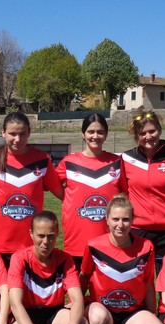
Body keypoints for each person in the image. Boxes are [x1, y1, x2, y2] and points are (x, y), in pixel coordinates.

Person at [80, 194, 165, 324]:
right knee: (97, 320)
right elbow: (83, 277)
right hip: (103, 310)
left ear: (133, 220)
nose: (120, 225)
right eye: (115, 219)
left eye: (126, 219)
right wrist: (75, 307)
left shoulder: (146, 247)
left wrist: (152, 313)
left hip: (133, 312)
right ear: (107, 219)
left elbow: (149, 283)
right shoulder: (93, 245)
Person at [0, 112, 62, 268]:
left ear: (29, 133)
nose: (18, 139)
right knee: (0, 293)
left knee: (29, 292)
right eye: (12, 134)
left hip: (32, 246)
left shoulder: (42, 160)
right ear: (3, 133)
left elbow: (61, 193)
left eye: (22, 134)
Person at [8, 211, 87, 324]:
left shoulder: (65, 259)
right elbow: (15, 303)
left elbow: (77, 299)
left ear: (57, 234)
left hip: (53, 314)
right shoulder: (19, 259)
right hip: (28, 313)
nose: (46, 242)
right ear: (31, 234)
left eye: (51, 236)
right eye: (40, 236)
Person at [120, 111, 165, 274]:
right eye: (142, 133)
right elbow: (123, 194)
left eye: (152, 131)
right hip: (137, 231)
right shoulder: (126, 159)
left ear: (159, 130)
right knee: (136, 283)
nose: (148, 137)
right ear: (136, 135)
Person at [56, 113, 122, 271]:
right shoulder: (69, 162)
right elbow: (49, 185)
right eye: (91, 132)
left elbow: (125, 196)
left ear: (106, 135)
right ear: (83, 134)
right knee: (76, 292)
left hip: (109, 240)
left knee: (104, 292)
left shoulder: (117, 163)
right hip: (76, 240)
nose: (95, 136)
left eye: (100, 132)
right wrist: (68, 199)